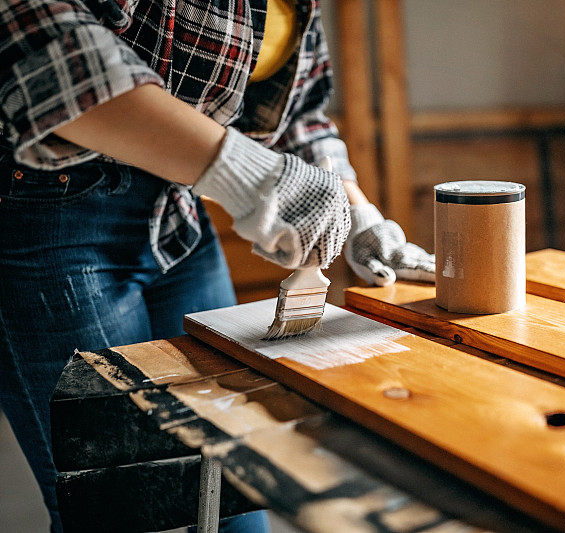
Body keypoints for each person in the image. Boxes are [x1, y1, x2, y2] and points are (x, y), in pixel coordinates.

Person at [0, 0, 434, 531]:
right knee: (124, 508)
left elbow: (299, 115)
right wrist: (250, 177)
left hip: (176, 214)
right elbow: (43, 45)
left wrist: (358, 214)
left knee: (240, 490)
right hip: (45, 214)